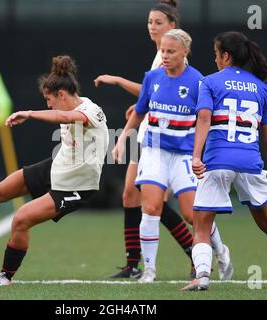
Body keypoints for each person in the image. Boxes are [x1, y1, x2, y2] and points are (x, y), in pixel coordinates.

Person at [0, 55, 109, 286]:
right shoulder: (65, 104)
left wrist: (28, 113)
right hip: (57, 166)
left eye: (49, 99)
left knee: (21, 219)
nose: (48, 105)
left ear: (62, 95)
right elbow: (61, 115)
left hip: (77, 185)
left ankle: (5, 276)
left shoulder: (92, 111)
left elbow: (65, 116)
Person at [181, 31, 267, 291]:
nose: (216, 60)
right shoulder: (262, 88)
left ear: (226, 56)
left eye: (216, 55)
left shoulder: (209, 82)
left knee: (202, 223)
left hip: (218, 161)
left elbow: (204, 120)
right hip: (250, 163)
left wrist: (196, 156)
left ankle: (201, 276)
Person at [112, 28, 231, 283]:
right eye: (162, 51)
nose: (164, 55)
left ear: (184, 52)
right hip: (154, 151)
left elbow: (205, 120)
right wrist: (122, 139)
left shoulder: (198, 82)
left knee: (193, 215)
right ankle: (150, 270)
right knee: (151, 207)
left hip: (184, 155)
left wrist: (202, 153)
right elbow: (139, 112)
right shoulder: (152, 77)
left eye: (170, 51)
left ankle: (220, 250)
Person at [94, 0, 200, 280]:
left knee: (150, 202)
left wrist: (118, 81)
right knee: (132, 195)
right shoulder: (160, 54)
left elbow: (157, 89)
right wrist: (142, 106)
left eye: (158, 23)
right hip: (149, 133)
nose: (152, 27)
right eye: (150, 22)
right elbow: (154, 92)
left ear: (172, 27)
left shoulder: (173, 54)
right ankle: (135, 264)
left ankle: (196, 251)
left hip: (166, 140)